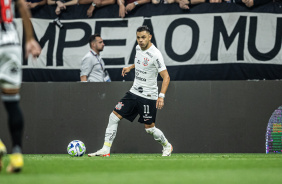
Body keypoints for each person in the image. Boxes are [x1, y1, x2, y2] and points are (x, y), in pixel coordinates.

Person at [88, 25, 173, 157]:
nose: (140, 40)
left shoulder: (156, 54)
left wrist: (161, 96)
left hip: (148, 96)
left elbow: (166, 76)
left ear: (150, 37)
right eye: (138, 37)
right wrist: (130, 67)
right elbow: (142, 61)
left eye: (143, 37)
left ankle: (167, 146)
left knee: (149, 129)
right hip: (134, 92)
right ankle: (105, 149)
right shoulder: (138, 48)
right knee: (113, 117)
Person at [0, 0, 41, 173]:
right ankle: (16, 155)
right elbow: (23, 6)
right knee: (12, 102)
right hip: (11, 44)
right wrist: (30, 39)